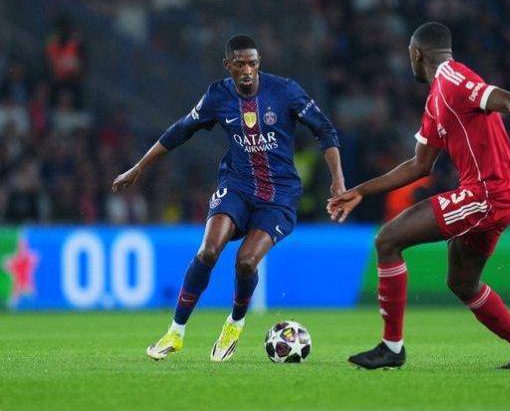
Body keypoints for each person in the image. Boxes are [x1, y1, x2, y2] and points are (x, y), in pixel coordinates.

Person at [328, 22, 510, 370]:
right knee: (462, 283)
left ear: (416, 54)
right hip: (499, 195)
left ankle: (391, 347)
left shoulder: (454, 79)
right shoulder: (436, 99)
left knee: (388, 240)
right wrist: (359, 191)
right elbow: (419, 165)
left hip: (486, 193)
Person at [112, 35, 345, 361]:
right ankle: (175, 332)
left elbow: (325, 129)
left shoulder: (285, 91)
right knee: (208, 251)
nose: (247, 70)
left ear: (259, 63)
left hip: (279, 195)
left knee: (246, 261)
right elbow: (180, 130)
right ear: (228, 66)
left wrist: (338, 181)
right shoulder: (217, 95)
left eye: (252, 63)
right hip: (237, 185)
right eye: (240, 64)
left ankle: (234, 325)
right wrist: (138, 167)